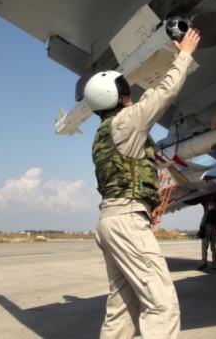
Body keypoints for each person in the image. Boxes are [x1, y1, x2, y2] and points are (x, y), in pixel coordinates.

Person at [84, 27, 200, 339]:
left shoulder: (103, 133)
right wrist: (185, 55)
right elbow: (163, 94)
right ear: (116, 97)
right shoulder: (128, 121)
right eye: (124, 90)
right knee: (162, 304)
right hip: (127, 221)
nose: (129, 94)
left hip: (109, 221)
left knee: (122, 307)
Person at [198, 202, 216, 271]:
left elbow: (202, 223)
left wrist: (201, 231)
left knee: (204, 246)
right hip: (214, 229)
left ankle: (204, 262)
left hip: (207, 228)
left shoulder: (207, 213)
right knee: (213, 248)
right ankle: (214, 265)